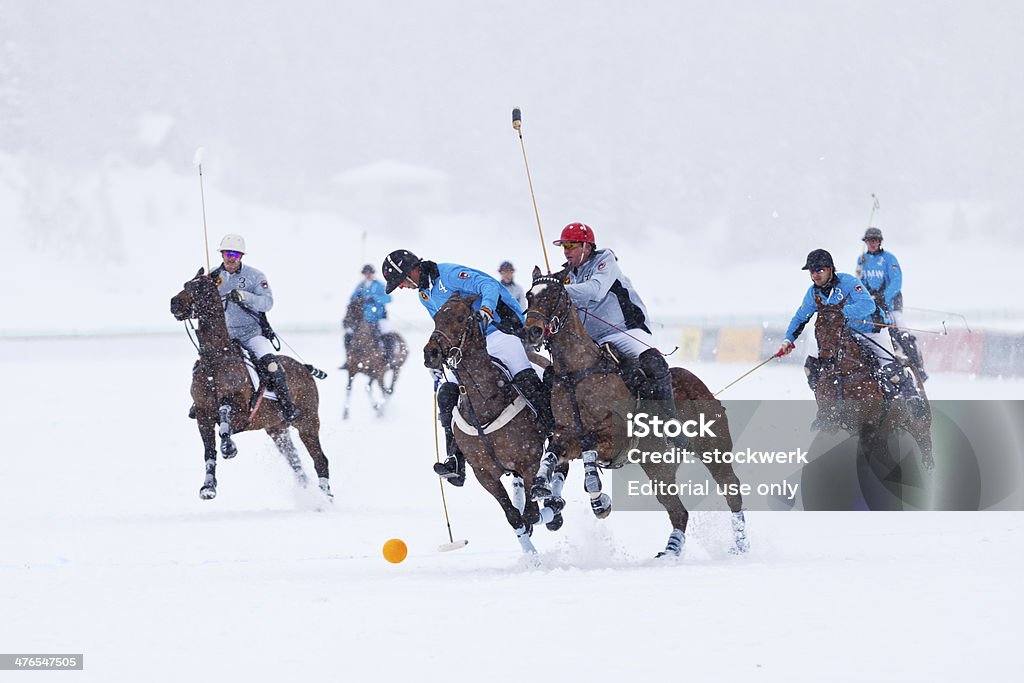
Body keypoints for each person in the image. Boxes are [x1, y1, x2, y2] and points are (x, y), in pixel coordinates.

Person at [382, 249, 554, 486]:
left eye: (400, 281)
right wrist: (440, 355)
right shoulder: (424, 295)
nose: (401, 287)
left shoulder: (449, 274)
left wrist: (485, 310)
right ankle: (455, 459)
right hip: (468, 348)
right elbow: (443, 326)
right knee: (446, 392)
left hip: (498, 331)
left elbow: (489, 286)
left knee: (521, 372)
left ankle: (554, 431)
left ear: (411, 270)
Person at [554, 222, 689, 451]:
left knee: (653, 362)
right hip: (592, 340)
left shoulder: (605, 261)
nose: (566, 251)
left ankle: (669, 422)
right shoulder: (567, 275)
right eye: (564, 246)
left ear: (586, 246)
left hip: (625, 331)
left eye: (571, 245)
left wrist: (558, 289)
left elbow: (596, 291)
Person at [776, 248, 921, 422]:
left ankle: (911, 396)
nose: (815, 275)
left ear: (830, 269)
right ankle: (827, 410)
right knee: (812, 368)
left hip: (870, 330)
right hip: (843, 336)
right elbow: (800, 317)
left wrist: (841, 312)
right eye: (812, 271)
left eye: (819, 270)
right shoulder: (813, 293)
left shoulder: (849, 282)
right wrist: (788, 340)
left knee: (890, 370)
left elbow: (868, 305)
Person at [199, 233, 301, 423]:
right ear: (222, 254)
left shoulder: (255, 276)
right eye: (227, 253)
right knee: (204, 364)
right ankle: (200, 403)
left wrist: (246, 296)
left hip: (251, 335)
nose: (231, 258)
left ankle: (287, 407)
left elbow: (267, 303)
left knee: (272, 366)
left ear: (241, 257)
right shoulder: (213, 276)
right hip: (224, 338)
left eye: (235, 255)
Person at [855, 227, 928, 381]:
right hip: (871, 306)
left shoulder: (889, 259)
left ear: (880, 242)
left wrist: (883, 297)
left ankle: (918, 367)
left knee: (900, 330)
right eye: (869, 240)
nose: (872, 243)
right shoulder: (861, 260)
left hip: (891, 305)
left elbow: (896, 282)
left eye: (875, 240)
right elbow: (859, 282)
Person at [343, 264, 395, 367]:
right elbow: (352, 298)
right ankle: (348, 358)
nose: (368, 275)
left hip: (378, 317)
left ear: (373, 273)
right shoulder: (360, 286)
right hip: (363, 318)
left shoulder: (379, 285)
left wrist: (375, 298)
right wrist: (357, 299)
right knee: (348, 335)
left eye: (369, 273)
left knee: (386, 333)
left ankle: (389, 357)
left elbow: (389, 298)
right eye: (366, 273)